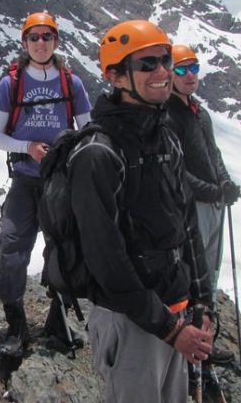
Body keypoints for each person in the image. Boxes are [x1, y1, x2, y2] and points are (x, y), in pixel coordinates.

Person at [70, 20, 214, 403]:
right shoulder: (97, 153)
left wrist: (202, 303)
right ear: (116, 76)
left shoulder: (165, 135)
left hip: (175, 309)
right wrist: (170, 329)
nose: (163, 72)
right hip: (131, 320)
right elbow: (107, 262)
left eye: (165, 60)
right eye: (147, 64)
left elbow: (187, 225)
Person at [0, 11, 92, 357]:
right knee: (12, 245)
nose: (41, 43)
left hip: (59, 182)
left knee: (63, 249)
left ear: (56, 41)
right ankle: (16, 326)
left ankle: (57, 321)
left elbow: (88, 130)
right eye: (34, 37)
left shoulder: (70, 83)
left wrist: (68, 151)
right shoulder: (12, 85)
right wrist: (27, 148)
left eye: (47, 36)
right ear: (24, 42)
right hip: (24, 179)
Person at [166, 44, 240, 364]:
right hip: (194, 206)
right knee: (197, 273)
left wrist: (223, 182)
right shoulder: (170, 115)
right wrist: (213, 190)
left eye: (193, 67)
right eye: (181, 69)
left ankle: (205, 342)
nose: (189, 75)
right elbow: (177, 170)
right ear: (169, 74)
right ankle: (196, 342)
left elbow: (214, 155)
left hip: (213, 204)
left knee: (209, 272)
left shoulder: (199, 112)